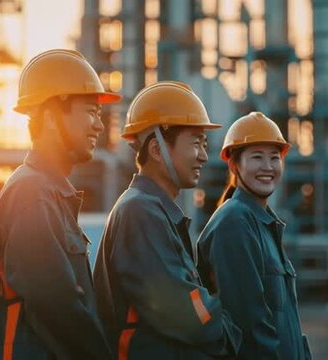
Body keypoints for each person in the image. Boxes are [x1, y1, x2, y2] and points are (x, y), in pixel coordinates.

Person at [0, 49, 119, 359]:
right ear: (50, 117)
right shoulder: (31, 194)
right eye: (89, 111)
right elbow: (58, 305)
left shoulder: (51, 194)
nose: (99, 125)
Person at [93, 81, 242, 359]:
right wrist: (233, 331)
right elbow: (187, 315)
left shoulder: (153, 211)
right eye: (195, 143)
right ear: (157, 149)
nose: (203, 156)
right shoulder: (140, 213)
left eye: (205, 143)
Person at [197, 112, 312, 359]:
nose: (268, 167)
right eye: (257, 157)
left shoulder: (263, 223)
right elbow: (248, 324)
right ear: (234, 165)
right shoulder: (234, 222)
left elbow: (286, 321)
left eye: (274, 157)